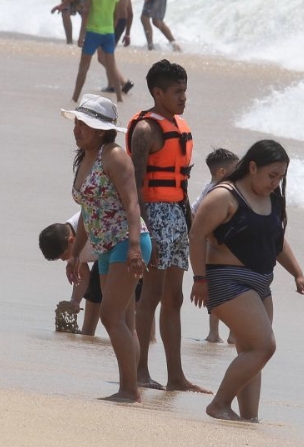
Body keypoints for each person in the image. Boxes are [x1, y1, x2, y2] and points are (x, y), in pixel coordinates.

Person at [189, 140, 304, 421]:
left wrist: (297, 272)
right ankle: (219, 403)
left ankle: (249, 418)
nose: (275, 182)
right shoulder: (224, 196)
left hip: (260, 284)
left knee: (251, 352)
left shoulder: (273, 198)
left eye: (280, 177)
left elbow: (277, 242)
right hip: (227, 280)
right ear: (252, 167)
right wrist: (199, 279)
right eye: (271, 175)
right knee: (264, 346)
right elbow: (196, 235)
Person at [64, 94, 149, 402]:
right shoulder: (85, 156)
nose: (77, 129)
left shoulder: (114, 156)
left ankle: (130, 389)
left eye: (84, 124)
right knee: (124, 320)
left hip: (126, 244)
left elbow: (132, 204)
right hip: (104, 247)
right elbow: (89, 210)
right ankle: (131, 384)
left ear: (101, 130)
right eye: (76, 122)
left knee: (111, 317)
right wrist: (76, 253)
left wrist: (136, 248)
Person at [127, 60, 203, 391]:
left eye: (185, 91)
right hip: (154, 215)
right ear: (158, 93)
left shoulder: (181, 127)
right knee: (151, 295)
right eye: (177, 92)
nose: (183, 98)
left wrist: (191, 224)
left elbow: (182, 184)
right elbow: (135, 184)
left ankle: (176, 377)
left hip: (177, 214)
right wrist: (143, 230)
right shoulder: (145, 131)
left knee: (174, 298)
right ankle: (141, 370)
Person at [53, 0, 125, 103]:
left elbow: (84, 8)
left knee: (83, 67)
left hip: (93, 33)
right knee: (111, 66)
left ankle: (75, 97)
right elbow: (117, 14)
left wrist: (81, 35)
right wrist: (112, 28)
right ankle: (119, 98)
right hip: (109, 33)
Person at [197, 148, 241, 344]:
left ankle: (215, 333)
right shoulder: (221, 191)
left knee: (218, 291)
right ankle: (227, 334)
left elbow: (194, 212)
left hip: (213, 247)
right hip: (218, 248)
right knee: (231, 291)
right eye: (236, 168)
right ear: (222, 172)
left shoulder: (208, 189)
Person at [39, 217, 102, 335]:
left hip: (123, 249)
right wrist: (75, 301)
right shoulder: (65, 238)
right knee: (94, 291)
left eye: (65, 256)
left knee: (114, 311)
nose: (65, 260)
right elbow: (83, 274)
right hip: (103, 257)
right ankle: (88, 337)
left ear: (72, 241)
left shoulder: (89, 225)